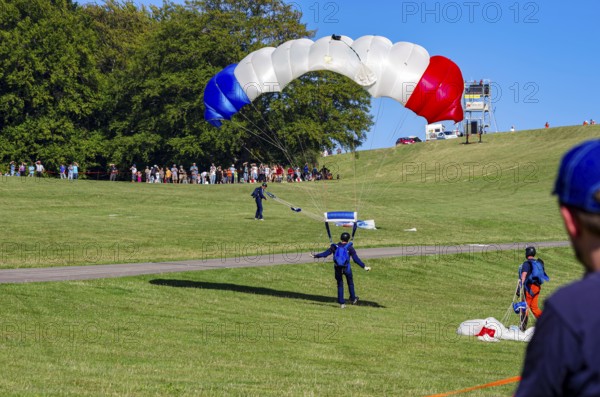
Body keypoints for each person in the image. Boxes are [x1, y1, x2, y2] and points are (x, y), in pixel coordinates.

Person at [515, 139, 600, 397]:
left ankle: (526, 326)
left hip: (531, 289)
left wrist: (521, 282)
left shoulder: (569, 312)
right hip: (537, 287)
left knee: (531, 307)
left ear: (569, 220)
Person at [311, 232, 371, 308]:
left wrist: (316, 256)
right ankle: (353, 298)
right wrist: (364, 267)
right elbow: (356, 259)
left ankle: (342, 303)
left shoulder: (335, 247)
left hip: (337, 268)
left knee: (340, 284)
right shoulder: (349, 247)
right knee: (350, 283)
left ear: (341, 238)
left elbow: (325, 254)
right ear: (348, 239)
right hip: (347, 268)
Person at [516, 246, 549, 331]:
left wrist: (519, 288)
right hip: (537, 287)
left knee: (525, 307)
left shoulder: (526, 264)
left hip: (530, 288)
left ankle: (523, 327)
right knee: (534, 308)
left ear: (527, 254)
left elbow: (523, 276)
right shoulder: (537, 263)